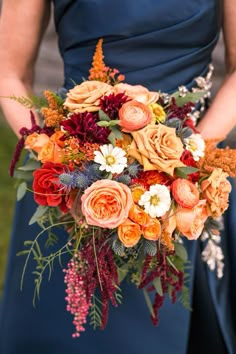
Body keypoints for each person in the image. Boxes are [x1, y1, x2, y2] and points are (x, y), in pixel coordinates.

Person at [0, 1, 235, 353]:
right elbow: (9, 74)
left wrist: (186, 159)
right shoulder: (66, 169)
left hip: (180, 187)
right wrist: (55, 154)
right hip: (73, 186)